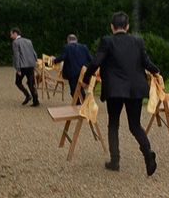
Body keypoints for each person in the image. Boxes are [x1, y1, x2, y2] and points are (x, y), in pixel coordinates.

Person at [84, 11, 160, 176]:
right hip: (135, 88)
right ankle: (148, 154)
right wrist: (156, 71)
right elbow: (146, 62)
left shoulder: (107, 41)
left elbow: (96, 61)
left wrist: (85, 77)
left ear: (112, 26)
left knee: (113, 124)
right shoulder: (137, 41)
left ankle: (115, 161)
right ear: (127, 26)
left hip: (115, 90)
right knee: (135, 125)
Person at [53, 34, 93, 101]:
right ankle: (84, 103)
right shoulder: (84, 47)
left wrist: (54, 61)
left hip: (72, 72)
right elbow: (91, 59)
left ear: (68, 40)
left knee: (73, 90)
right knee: (80, 88)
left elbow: (62, 57)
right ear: (76, 40)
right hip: (82, 72)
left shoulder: (67, 47)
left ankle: (77, 104)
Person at [10, 28, 39, 107]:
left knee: (18, 82)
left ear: (15, 33)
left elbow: (17, 56)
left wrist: (18, 69)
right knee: (31, 83)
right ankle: (36, 100)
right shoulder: (28, 41)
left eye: (11, 34)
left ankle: (27, 95)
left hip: (22, 66)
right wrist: (35, 62)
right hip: (31, 65)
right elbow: (34, 53)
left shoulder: (15, 42)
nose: (11, 36)